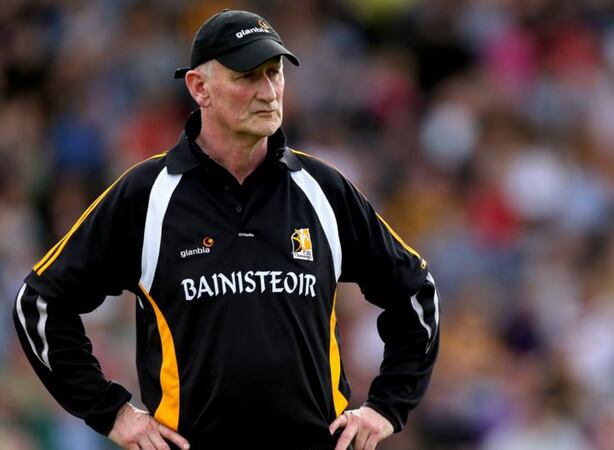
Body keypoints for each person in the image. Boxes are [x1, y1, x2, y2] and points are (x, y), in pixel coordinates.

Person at [13, 9, 439, 450]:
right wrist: (112, 412)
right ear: (199, 87)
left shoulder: (323, 189)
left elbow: (415, 291)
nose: (268, 92)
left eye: (275, 74)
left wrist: (387, 406)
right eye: (248, 76)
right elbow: (39, 303)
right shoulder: (146, 194)